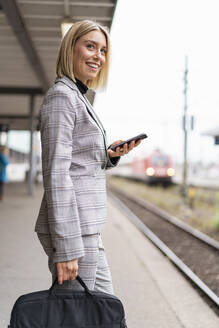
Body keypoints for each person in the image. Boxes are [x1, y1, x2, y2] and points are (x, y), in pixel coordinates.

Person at [35, 20, 141, 294]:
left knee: (94, 312)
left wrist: (108, 155)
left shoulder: (78, 96)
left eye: (103, 50)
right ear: (71, 49)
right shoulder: (62, 98)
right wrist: (67, 248)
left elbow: (77, 161)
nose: (99, 56)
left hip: (85, 227)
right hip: (73, 229)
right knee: (87, 314)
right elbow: (57, 175)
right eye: (90, 46)